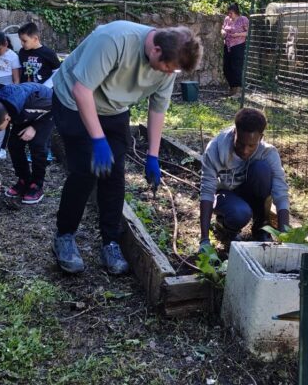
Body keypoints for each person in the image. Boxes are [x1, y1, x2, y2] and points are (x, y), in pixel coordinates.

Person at [51, 21, 202, 275]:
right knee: (85, 171)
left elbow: (157, 109)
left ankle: (110, 241)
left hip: (114, 108)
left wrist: (152, 155)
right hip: (73, 101)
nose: (168, 73)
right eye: (167, 67)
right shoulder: (114, 40)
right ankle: (64, 237)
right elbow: (82, 90)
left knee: (114, 174)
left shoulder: (168, 66)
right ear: (155, 49)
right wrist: (98, 140)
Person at [198, 107, 290, 253]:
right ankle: (225, 228)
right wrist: (204, 240)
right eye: (240, 143)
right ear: (235, 132)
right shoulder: (215, 149)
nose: (245, 150)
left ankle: (261, 228)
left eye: (251, 145)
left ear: (261, 137)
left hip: (248, 191)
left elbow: (280, 191)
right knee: (240, 212)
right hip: (225, 196)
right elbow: (207, 190)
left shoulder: (268, 153)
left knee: (262, 170)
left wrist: (286, 236)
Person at [0, 82, 54, 205]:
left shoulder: (35, 103)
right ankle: (24, 180)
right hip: (22, 113)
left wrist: (35, 127)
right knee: (14, 144)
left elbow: (58, 106)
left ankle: (36, 185)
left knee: (38, 145)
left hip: (47, 112)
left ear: (7, 118)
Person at [221, 3, 249, 96]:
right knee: (226, 68)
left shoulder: (243, 19)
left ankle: (238, 91)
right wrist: (223, 32)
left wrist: (238, 35)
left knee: (236, 68)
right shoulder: (227, 19)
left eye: (231, 13)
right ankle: (232, 88)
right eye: (228, 13)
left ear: (236, 13)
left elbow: (248, 32)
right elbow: (223, 28)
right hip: (228, 46)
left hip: (238, 46)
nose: (229, 15)